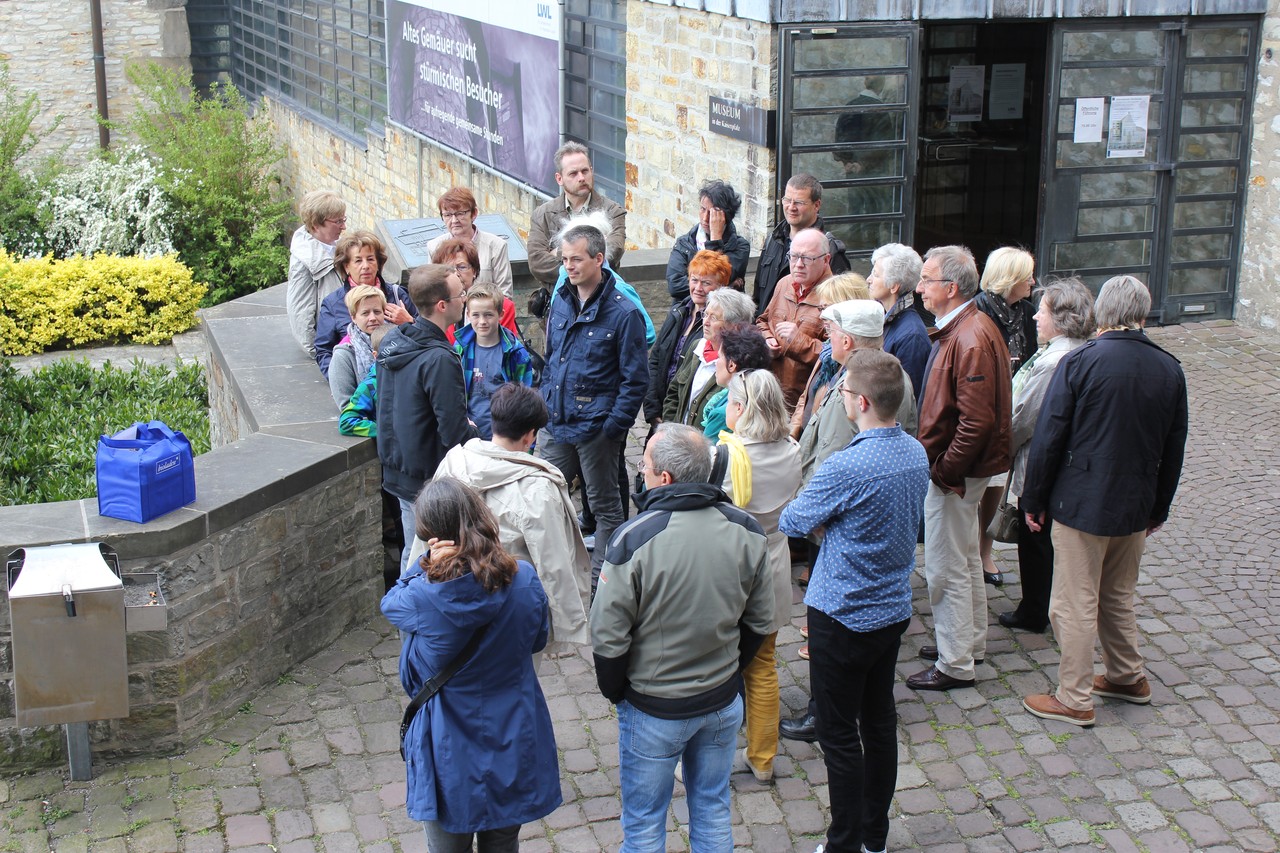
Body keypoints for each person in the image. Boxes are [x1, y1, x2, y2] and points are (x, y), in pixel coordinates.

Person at [590, 424, 773, 851]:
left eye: (645, 466)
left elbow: (608, 637)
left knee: (644, 824)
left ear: (664, 479)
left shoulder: (634, 540)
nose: (642, 472)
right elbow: (760, 623)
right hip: (722, 701)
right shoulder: (747, 530)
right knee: (711, 809)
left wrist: (619, 692)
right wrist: (730, 671)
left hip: (654, 709)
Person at [778, 348, 930, 853]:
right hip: (890, 609)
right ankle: (873, 837)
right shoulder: (915, 452)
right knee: (879, 723)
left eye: (843, 392)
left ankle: (843, 843)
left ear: (860, 401)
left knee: (839, 734)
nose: (840, 398)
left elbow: (793, 521)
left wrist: (829, 522)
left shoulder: (846, 466)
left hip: (841, 613)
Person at [1021, 276, 1187, 727]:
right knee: (1117, 595)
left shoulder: (1080, 363)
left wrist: (1033, 499)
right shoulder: (1169, 367)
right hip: (1135, 502)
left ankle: (1074, 698)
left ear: (1103, 313)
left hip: (1082, 502)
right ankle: (1126, 676)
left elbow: (1049, 439)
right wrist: (1160, 507)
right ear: (1144, 312)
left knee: (1072, 602)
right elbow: (1174, 448)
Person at [382, 478, 561, 852]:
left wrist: (424, 565)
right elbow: (538, 639)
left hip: (448, 743)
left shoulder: (421, 597)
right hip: (513, 731)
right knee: (503, 841)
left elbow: (390, 602)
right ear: (480, 519)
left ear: (434, 538)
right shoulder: (524, 578)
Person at [402, 384, 591, 656]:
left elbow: (428, 533)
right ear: (530, 436)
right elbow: (553, 561)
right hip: (506, 604)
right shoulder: (539, 488)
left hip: (450, 592)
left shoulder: (454, 462)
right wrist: (564, 626)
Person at [909, 245, 1012, 692]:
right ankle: (969, 643)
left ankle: (955, 663)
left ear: (950, 289)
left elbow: (976, 421)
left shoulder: (967, 337)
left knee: (947, 566)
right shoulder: (971, 327)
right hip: (966, 470)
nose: (920, 287)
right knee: (966, 556)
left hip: (956, 473)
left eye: (927, 279)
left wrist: (945, 471)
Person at [539, 222, 648, 596]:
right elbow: (552, 359)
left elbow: (636, 380)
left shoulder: (624, 314)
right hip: (556, 423)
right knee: (543, 495)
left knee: (606, 509)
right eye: (565, 259)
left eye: (576, 259)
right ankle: (552, 575)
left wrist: (613, 428)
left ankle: (605, 586)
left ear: (599, 259)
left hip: (596, 429)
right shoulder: (561, 301)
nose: (568, 267)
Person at [716, 369, 801, 783]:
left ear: (742, 408)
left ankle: (710, 756)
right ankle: (763, 758)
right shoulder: (791, 449)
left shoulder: (727, 457)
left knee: (716, 667)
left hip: (730, 570)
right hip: (773, 559)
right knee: (763, 664)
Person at [1000, 278, 1095, 634]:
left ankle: (1036, 609)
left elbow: (1025, 418)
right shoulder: (1081, 350)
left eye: (1042, 311)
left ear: (1062, 317)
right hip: (1067, 466)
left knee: (1036, 542)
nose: (1036, 317)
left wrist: (1003, 451)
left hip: (1042, 465)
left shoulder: (1054, 361)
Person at [377, 263, 478, 575]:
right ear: (442, 305)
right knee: (425, 559)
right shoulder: (439, 359)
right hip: (427, 477)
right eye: (461, 295)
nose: (466, 299)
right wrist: (472, 433)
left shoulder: (394, 343)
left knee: (413, 550)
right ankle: (413, 621)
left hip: (397, 468)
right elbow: (452, 430)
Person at [974, 246, 1039, 586]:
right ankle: (971, 554)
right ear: (1010, 277)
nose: (1032, 280)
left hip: (1014, 408)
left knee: (999, 486)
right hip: (984, 409)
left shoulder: (1028, 312)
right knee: (976, 485)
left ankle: (985, 552)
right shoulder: (977, 309)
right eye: (1027, 274)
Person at [645, 250, 728, 428]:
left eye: (706, 283)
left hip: (686, 417)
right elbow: (656, 360)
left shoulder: (716, 327)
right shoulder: (678, 312)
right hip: (662, 409)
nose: (698, 288)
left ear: (720, 287)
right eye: (694, 280)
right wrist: (652, 411)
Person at [316, 230, 415, 376]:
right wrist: (341, 381)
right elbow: (324, 351)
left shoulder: (397, 294)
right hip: (357, 389)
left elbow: (425, 335)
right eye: (358, 260)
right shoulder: (333, 304)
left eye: (370, 259)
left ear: (379, 263)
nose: (365, 266)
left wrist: (409, 322)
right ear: (346, 266)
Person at [756, 227, 834, 412]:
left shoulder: (835, 296)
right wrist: (768, 339)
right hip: (770, 397)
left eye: (807, 258)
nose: (798, 264)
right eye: (793, 256)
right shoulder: (784, 283)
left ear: (826, 260)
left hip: (806, 405)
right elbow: (762, 321)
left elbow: (838, 358)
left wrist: (798, 341)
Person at [527, 141, 626, 286]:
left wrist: (558, 253)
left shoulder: (613, 212)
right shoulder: (543, 215)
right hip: (558, 300)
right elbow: (536, 262)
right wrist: (584, 258)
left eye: (585, 171)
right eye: (573, 173)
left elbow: (612, 253)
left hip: (602, 299)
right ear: (559, 179)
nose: (581, 178)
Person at [789, 273, 871, 441]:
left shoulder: (860, 364)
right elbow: (806, 396)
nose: (821, 316)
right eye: (821, 308)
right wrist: (793, 433)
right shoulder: (829, 349)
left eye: (828, 308)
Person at [753, 173, 851, 313]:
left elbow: (840, 310)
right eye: (787, 200)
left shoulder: (830, 250)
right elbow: (757, 298)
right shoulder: (773, 240)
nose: (791, 207)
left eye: (799, 202)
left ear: (816, 205)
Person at [662, 287, 756, 427]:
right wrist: (671, 428)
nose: (705, 322)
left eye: (714, 318)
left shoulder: (741, 364)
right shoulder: (696, 347)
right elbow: (674, 392)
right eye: (706, 314)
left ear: (735, 327)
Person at [453, 285, 534, 441]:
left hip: (505, 436)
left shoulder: (516, 354)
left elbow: (527, 401)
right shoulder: (459, 350)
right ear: (468, 315)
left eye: (488, 315)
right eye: (476, 315)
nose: (482, 321)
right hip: (469, 436)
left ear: (501, 314)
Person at [665, 179, 752, 300]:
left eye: (712, 213)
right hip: (687, 313)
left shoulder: (740, 247)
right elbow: (675, 286)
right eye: (703, 209)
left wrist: (715, 238)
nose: (705, 218)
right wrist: (725, 286)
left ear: (725, 216)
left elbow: (718, 278)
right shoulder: (685, 243)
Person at [287, 189, 346, 358]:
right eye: (338, 221)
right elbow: (300, 311)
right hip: (332, 348)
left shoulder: (335, 247)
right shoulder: (305, 261)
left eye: (344, 219)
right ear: (315, 225)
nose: (344, 226)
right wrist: (320, 352)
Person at [867, 243, 930, 398]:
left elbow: (909, 397)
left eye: (875, 274)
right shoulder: (886, 318)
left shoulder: (912, 336)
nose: (868, 279)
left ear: (894, 286)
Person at [426, 186, 514, 297]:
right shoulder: (434, 247)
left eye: (460, 213)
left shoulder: (496, 246)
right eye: (447, 215)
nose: (454, 220)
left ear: (474, 214)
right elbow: (432, 291)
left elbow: (504, 294)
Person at [431, 238, 519, 338]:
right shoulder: (437, 306)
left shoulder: (502, 305)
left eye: (462, 267)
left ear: (474, 271)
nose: (456, 273)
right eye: (448, 269)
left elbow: (505, 347)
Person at [702, 324, 774, 439]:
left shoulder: (724, 413)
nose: (716, 362)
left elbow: (705, 454)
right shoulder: (764, 396)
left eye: (720, 357)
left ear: (731, 365)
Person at [328, 285, 385, 408]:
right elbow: (346, 406)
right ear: (353, 317)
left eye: (377, 312)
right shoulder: (343, 355)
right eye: (365, 313)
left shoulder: (400, 340)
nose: (373, 318)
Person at [338, 324, 395, 437]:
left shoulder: (414, 375)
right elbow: (346, 422)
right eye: (391, 352)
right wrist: (385, 431)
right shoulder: (370, 386)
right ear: (376, 355)